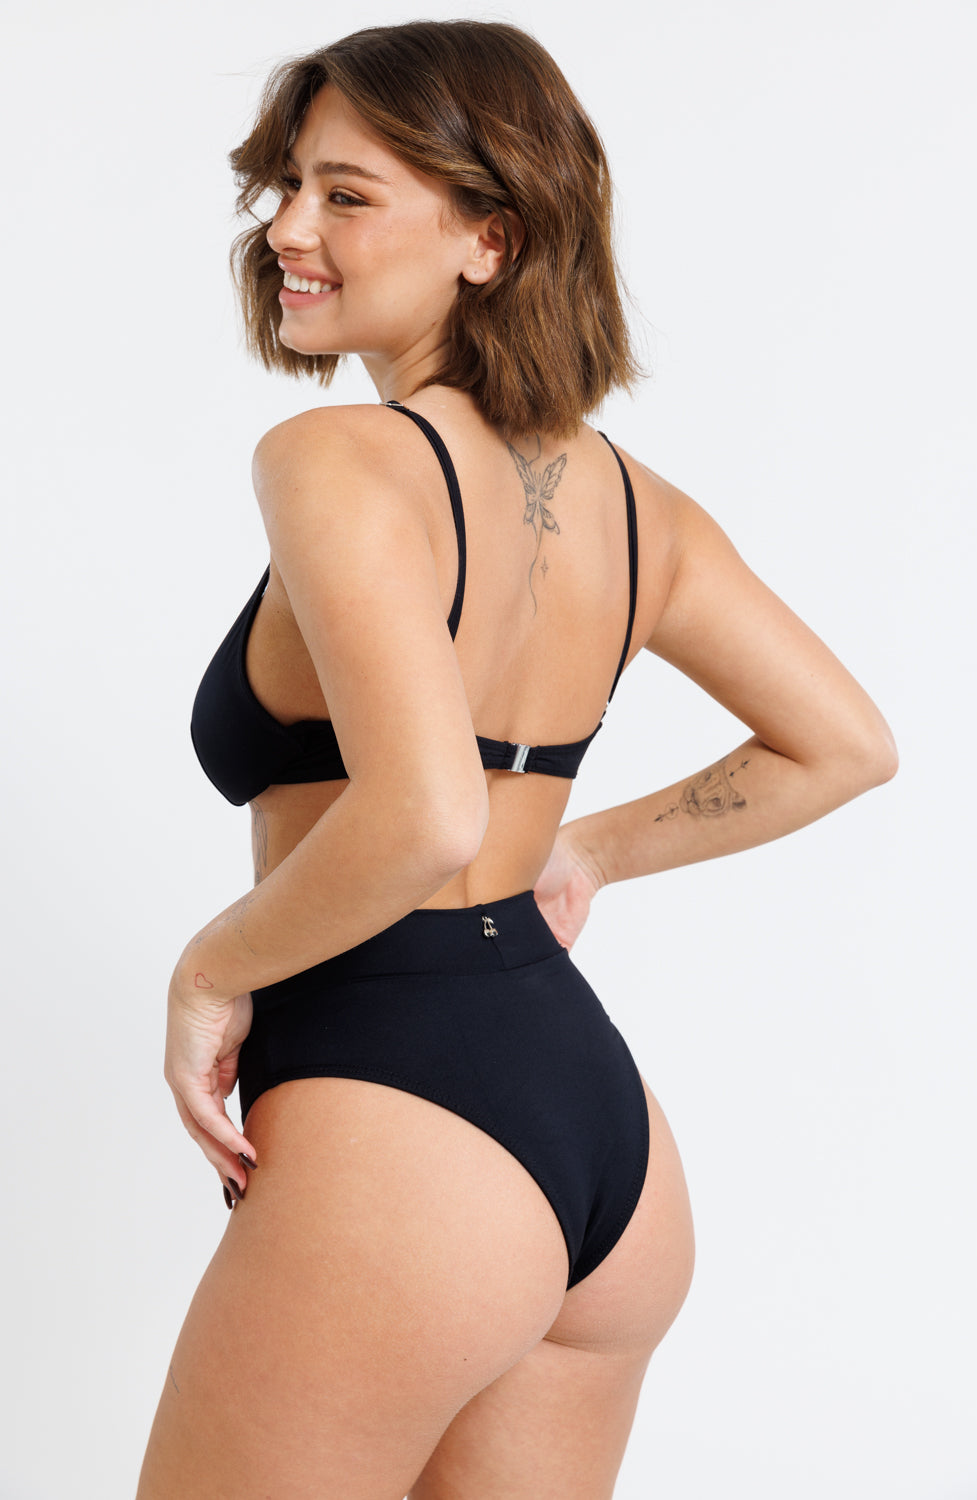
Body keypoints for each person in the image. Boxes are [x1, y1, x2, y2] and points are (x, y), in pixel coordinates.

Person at [137, 20, 896, 1499]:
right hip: (599, 1137)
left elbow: (425, 815)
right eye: (288, 185)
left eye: (347, 195)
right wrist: (582, 847)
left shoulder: (338, 461)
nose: (287, 226)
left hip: (400, 1117)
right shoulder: (643, 507)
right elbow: (844, 744)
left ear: (492, 238)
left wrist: (209, 972)